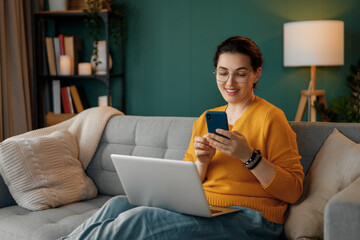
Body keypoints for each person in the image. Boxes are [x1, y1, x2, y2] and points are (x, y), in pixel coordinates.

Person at [61, 36, 304, 240]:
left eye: (240, 74)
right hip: (204, 209)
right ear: (215, 73)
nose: (230, 82)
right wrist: (202, 162)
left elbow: (293, 191)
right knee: (117, 204)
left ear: (256, 74)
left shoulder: (272, 118)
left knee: (141, 219)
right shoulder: (207, 119)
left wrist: (248, 156)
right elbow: (187, 184)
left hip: (252, 219)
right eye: (223, 73)